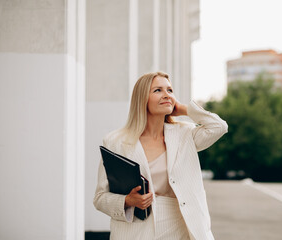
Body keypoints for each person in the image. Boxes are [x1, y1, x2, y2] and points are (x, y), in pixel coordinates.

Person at [93, 72, 228, 240]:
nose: (166, 95)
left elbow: (219, 127)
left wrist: (184, 109)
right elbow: (100, 198)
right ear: (142, 99)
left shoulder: (185, 134)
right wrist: (128, 201)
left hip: (180, 227)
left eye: (170, 90)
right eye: (158, 90)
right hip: (135, 231)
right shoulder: (115, 142)